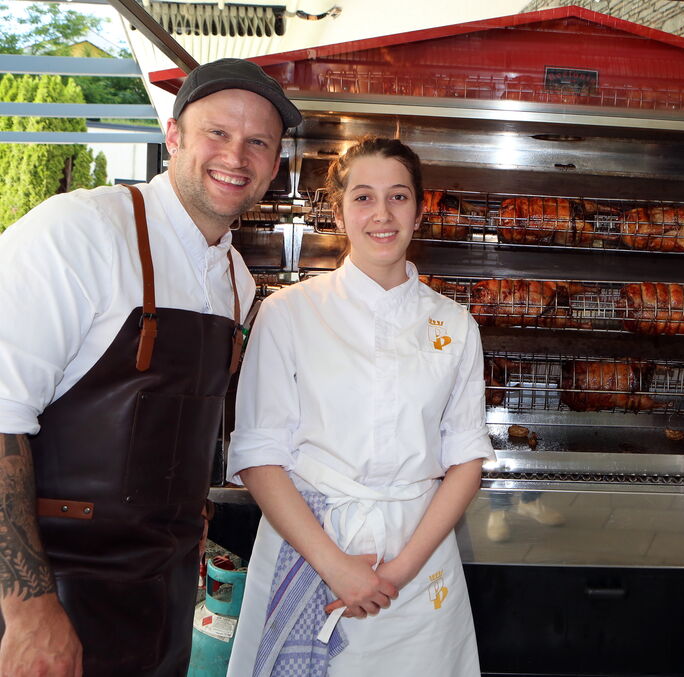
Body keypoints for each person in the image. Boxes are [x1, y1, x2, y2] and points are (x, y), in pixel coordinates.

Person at [0, 58, 301, 676]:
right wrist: (29, 613)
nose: (235, 156)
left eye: (258, 142)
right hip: (53, 597)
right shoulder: (80, 232)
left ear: (275, 166)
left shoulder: (237, 282)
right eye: (217, 132)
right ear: (173, 137)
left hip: (162, 604)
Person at [226, 136, 493, 676]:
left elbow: (466, 458)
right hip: (311, 549)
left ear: (420, 211)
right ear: (339, 212)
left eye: (398, 197)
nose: (382, 214)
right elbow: (258, 454)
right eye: (363, 197)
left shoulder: (454, 324)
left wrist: (398, 571)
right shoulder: (289, 313)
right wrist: (337, 567)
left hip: (418, 565)